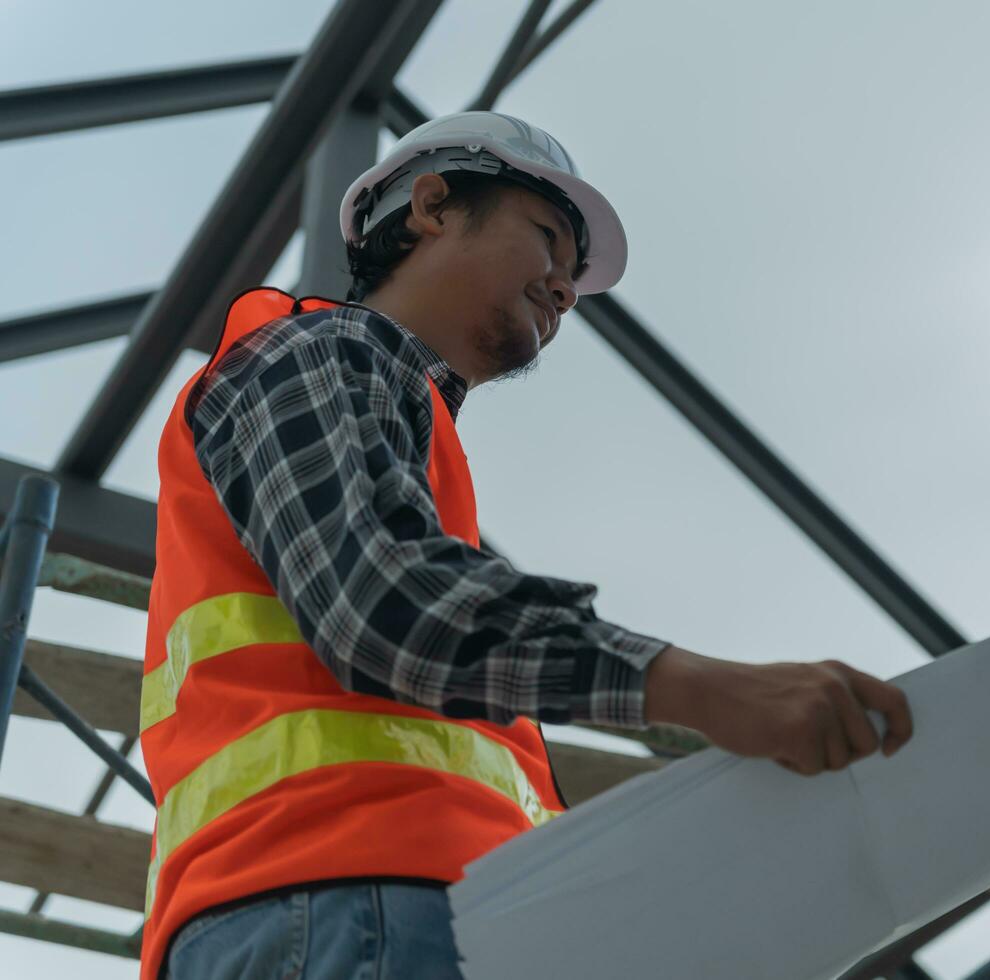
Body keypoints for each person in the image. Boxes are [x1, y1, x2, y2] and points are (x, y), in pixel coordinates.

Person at [139, 111, 913, 980]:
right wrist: (703, 688)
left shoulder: (407, 428)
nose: (565, 288)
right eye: (548, 238)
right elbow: (380, 601)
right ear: (432, 206)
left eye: (575, 275)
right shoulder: (319, 350)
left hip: (363, 906)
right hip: (346, 896)